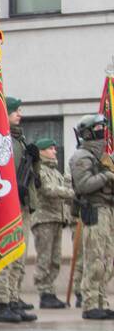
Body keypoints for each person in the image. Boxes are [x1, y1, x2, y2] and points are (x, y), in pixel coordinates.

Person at [0, 97, 38, 322]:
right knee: (6, 254)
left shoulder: (18, 140)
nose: (19, 114)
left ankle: (13, 298)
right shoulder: (1, 139)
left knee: (18, 256)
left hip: (22, 204)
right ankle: (2, 303)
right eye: (15, 111)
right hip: (7, 203)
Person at [69, 114, 114, 320]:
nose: (101, 132)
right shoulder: (82, 157)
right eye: (97, 128)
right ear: (88, 132)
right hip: (94, 211)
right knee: (94, 261)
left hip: (107, 210)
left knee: (107, 262)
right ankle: (89, 304)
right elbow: (83, 185)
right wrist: (107, 175)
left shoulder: (101, 156)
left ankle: (102, 302)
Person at [30, 138, 75, 309]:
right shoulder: (39, 169)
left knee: (55, 259)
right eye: (50, 148)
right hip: (44, 219)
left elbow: (64, 187)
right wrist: (70, 192)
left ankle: (50, 291)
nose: (55, 151)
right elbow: (48, 190)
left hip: (56, 218)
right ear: (41, 151)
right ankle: (44, 292)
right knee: (44, 258)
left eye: (55, 148)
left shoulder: (56, 171)